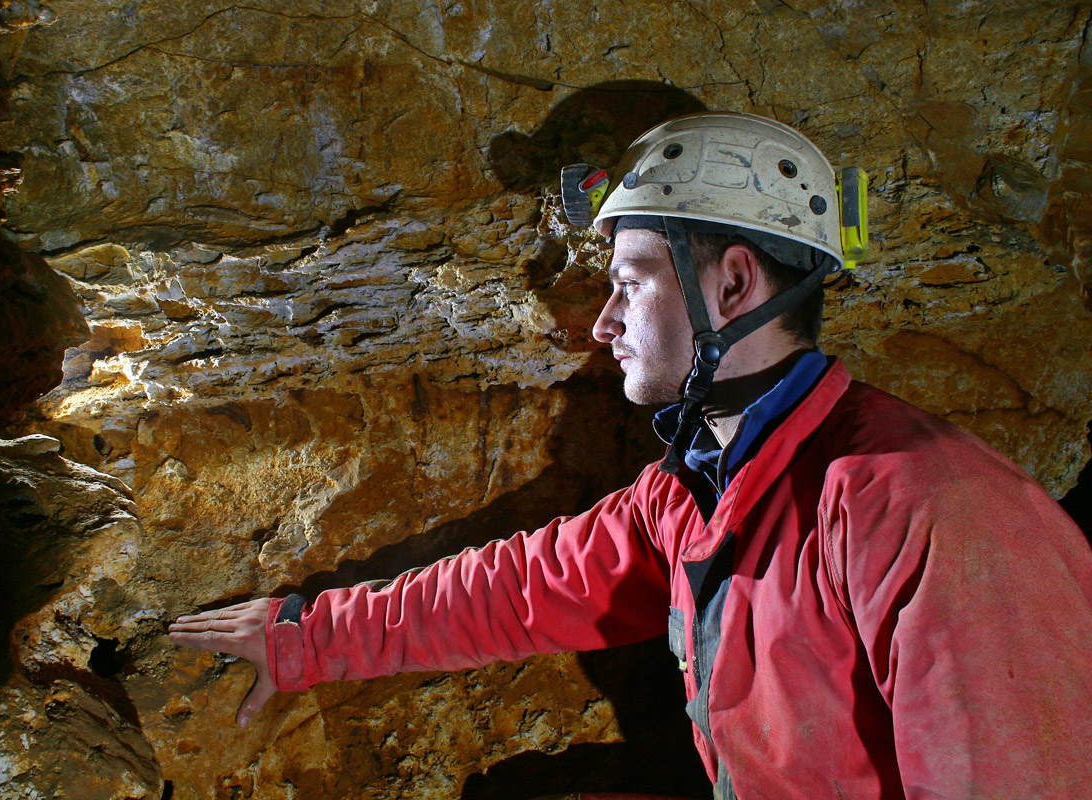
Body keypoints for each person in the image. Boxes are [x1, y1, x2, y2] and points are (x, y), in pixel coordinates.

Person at [169, 113, 1092, 799]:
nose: (601, 324)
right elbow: (521, 587)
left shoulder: (933, 510)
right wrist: (304, 639)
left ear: (733, 282)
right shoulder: (702, 486)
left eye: (629, 281)